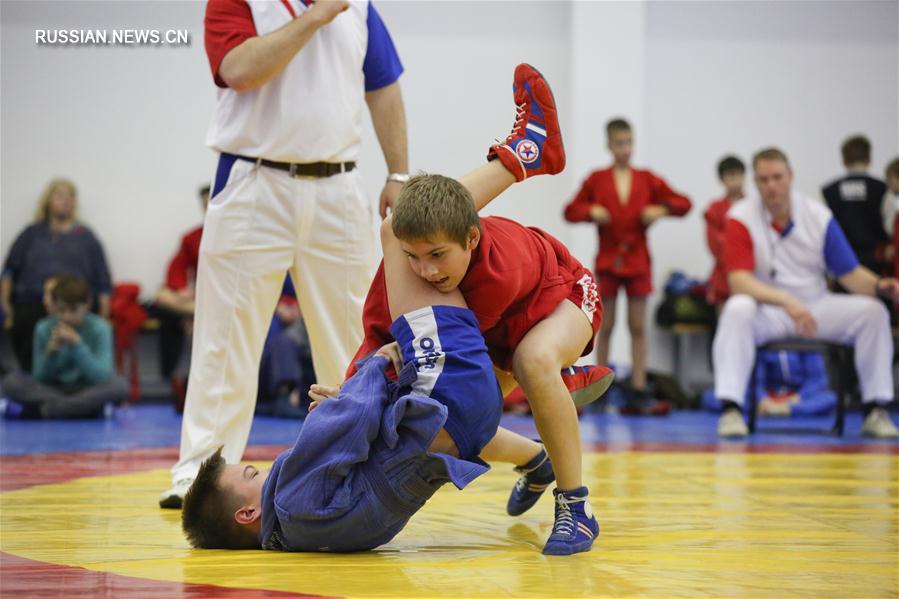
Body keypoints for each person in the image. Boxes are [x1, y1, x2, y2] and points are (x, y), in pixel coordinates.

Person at [181, 159, 564, 553]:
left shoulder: (305, 537)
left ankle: (536, 426)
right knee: (398, 235)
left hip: (465, 429)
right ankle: (522, 156)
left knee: (434, 279)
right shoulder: (290, 495)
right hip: (451, 397)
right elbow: (351, 420)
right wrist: (373, 370)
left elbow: (369, 456)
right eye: (251, 473)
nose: (263, 469)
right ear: (246, 514)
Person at [348, 64, 613, 555]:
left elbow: (465, 379)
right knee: (434, 417)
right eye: (414, 259)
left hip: (564, 297)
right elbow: (378, 329)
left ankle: (576, 506)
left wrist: (542, 383)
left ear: (472, 239)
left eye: (437, 257)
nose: (425, 272)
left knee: (526, 367)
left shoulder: (497, 271)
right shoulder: (411, 257)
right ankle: (537, 458)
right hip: (498, 324)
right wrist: (353, 388)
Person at [161, 0, 410, 507]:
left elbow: (382, 85)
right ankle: (199, 475)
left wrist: (398, 173)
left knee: (357, 338)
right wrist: (316, 16)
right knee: (224, 338)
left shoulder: (358, 7)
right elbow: (239, 69)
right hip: (254, 179)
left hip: (339, 183)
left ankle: (356, 464)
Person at [713, 147, 899, 439]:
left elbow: (849, 274)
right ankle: (730, 409)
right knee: (737, 307)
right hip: (769, 309)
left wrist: (879, 286)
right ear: (755, 182)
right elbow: (739, 281)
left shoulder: (818, 216)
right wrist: (787, 301)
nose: (771, 185)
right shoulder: (740, 217)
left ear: (791, 176)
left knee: (873, 311)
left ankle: (876, 409)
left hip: (815, 306)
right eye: (763, 179)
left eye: (777, 177)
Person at [563, 118, 692, 414]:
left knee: (637, 327)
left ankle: (637, 385)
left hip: (637, 262)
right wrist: (590, 211)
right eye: (620, 143)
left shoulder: (646, 179)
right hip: (609, 262)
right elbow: (570, 210)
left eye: (629, 142)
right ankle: (601, 385)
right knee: (603, 327)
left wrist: (661, 209)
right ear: (609, 145)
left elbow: (683, 203)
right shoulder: (598, 179)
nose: (625, 149)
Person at [1, 178, 113, 373]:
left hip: (76, 303)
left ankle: (77, 383)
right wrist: (6, 306)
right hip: (32, 302)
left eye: (70, 196)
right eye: (60, 195)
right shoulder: (31, 234)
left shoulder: (86, 236)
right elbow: (9, 271)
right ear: (48, 201)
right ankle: (31, 378)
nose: (66, 200)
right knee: (25, 321)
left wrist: (103, 315)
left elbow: (103, 280)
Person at [0, 274, 127, 418]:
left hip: (86, 387)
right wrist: (51, 355)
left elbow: (101, 376)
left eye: (73, 310)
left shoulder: (100, 328)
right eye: (61, 311)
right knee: (11, 382)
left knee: (119, 385)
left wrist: (77, 345)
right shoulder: (43, 327)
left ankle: (52, 410)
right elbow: (40, 377)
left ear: (87, 304)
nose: (67, 316)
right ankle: (84, 409)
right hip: (53, 388)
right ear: (54, 306)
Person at [153, 185, 208, 410]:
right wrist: (183, 293)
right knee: (163, 300)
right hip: (195, 303)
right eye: (206, 205)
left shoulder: (240, 237)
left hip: (222, 302)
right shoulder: (192, 237)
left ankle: (196, 314)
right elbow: (176, 271)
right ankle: (175, 378)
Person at [821, 135, 891, 276]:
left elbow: (822, 229)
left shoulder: (829, 191)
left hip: (841, 263)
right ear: (869, 158)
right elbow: (890, 227)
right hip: (877, 262)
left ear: (844, 160)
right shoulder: (882, 189)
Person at [704, 156, 746, 306]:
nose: (735, 180)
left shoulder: (754, 207)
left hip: (750, 276)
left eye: (738, 174)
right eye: (730, 175)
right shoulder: (714, 209)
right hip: (724, 276)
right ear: (722, 179)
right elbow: (714, 243)